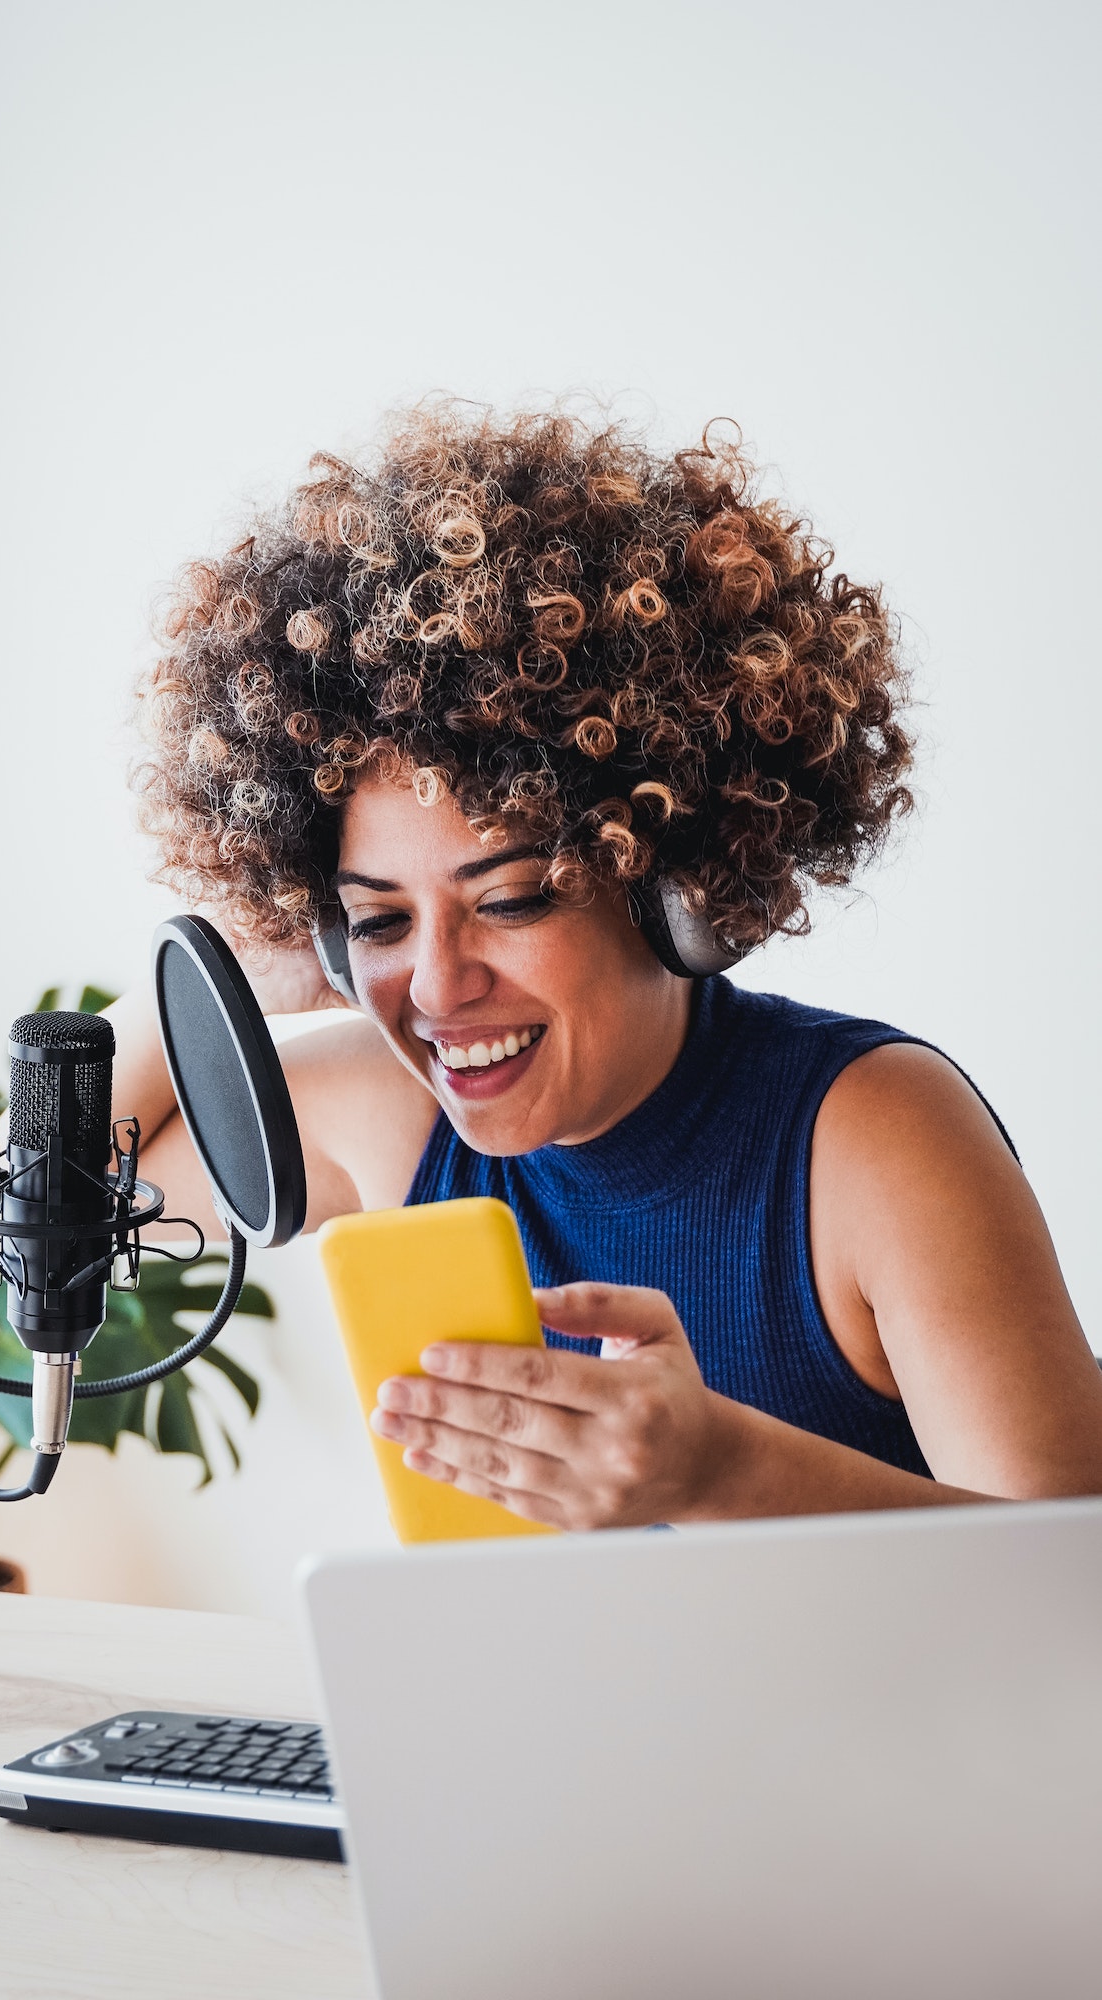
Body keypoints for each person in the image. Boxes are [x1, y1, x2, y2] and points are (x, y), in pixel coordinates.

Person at [109, 402, 1102, 1529]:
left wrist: (722, 1473)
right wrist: (227, 955)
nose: (434, 986)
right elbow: (47, 1210)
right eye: (379, 923)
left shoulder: (874, 1136)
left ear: (674, 887)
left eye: (511, 900)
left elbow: (1080, 1608)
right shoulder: (389, 1119)